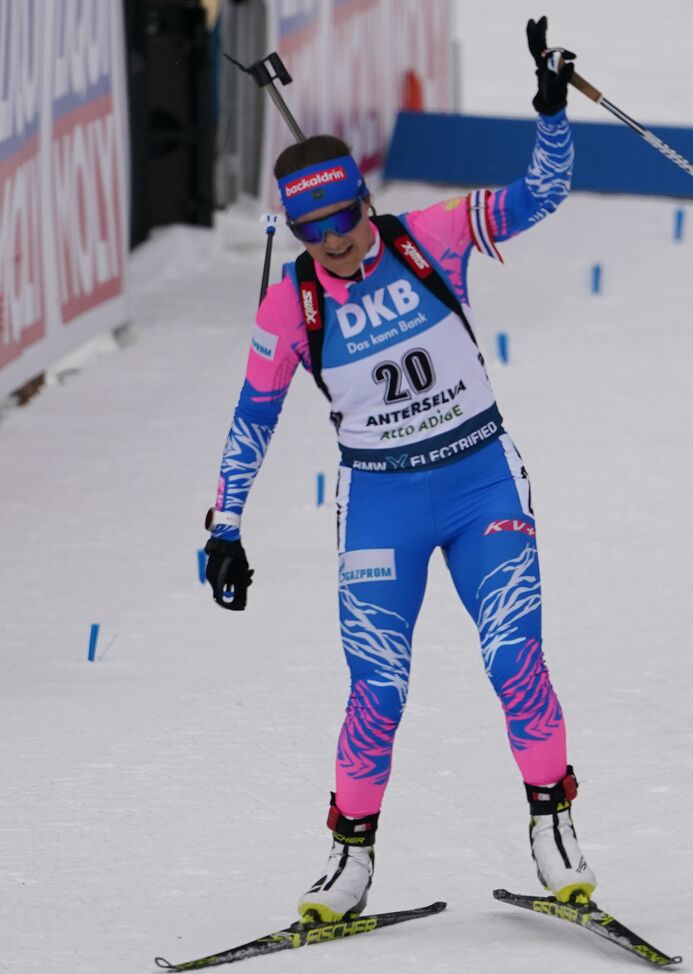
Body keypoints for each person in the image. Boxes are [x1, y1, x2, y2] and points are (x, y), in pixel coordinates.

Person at [202, 17, 595, 923]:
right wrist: (223, 528)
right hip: (380, 502)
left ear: (363, 203)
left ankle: (553, 825)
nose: (333, 242)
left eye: (342, 219)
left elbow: (542, 192)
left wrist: (549, 110)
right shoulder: (291, 301)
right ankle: (349, 859)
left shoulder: (431, 236)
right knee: (378, 689)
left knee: (515, 658)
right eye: (311, 228)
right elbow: (251, 419)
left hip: (480, 483)